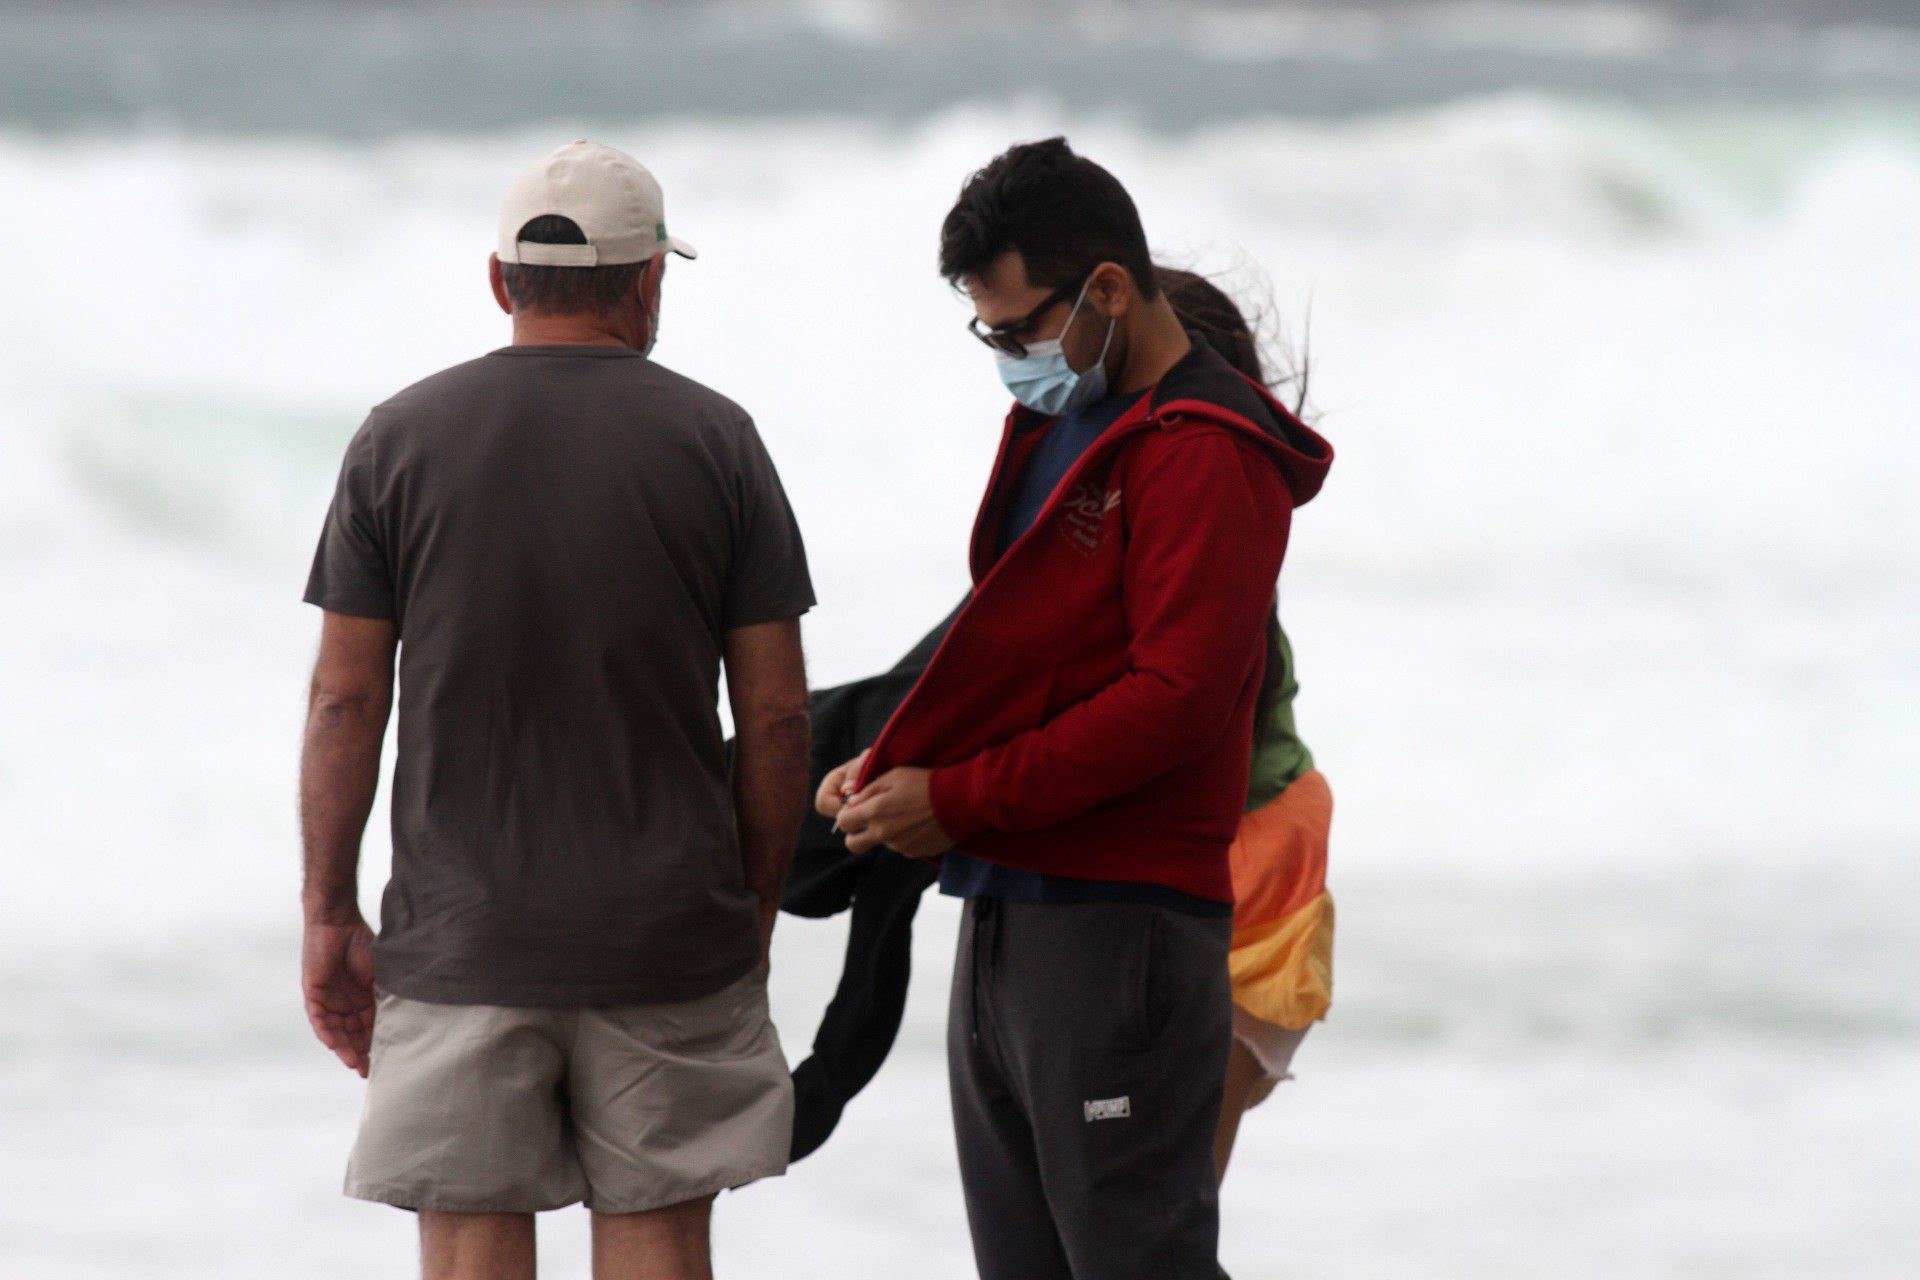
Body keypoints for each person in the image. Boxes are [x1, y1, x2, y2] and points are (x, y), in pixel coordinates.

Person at [297, 139, 815, 1280]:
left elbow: (346, 696)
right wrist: (754, 905)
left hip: (463, 936)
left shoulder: (399, 438)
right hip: (669, 931)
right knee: (659, 1236)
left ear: (500, 281)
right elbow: (777, 717)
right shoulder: (717, 439)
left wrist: (329, 909)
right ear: (647, 282)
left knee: (473, 1242)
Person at [818, 137, 1333, 1280]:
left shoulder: (1205, 449)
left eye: (1018, 329)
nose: (1007, 356)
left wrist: (953, 796)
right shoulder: (1069, 425)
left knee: (1136, 1257)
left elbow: (1178, 702)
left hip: (1122, 922)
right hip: (1007, 900)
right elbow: (1021, 656)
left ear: (1107, 286)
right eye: (987, 334)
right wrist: (891, 758)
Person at [1151, 268, 1336, 1181]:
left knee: (1161, 1219)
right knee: (1163, 1215)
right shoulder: (1207, 489)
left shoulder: (1200, 498)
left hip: (1245, 872)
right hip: (1269, 849)